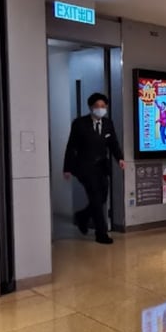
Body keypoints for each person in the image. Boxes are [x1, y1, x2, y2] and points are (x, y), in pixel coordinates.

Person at [63, 93, 125, 244]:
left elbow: (113, 143)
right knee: (96, 199)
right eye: (97, 106)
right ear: (91, 107)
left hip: (101, 167)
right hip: (84, 167)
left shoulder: (108, 123)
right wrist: (67, 168)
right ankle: (101, 233)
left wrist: (120, 158)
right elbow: (71, 146)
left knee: (102, 197)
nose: (100, 109)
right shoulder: (79, 123)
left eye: (103, 106)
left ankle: (82, 216)